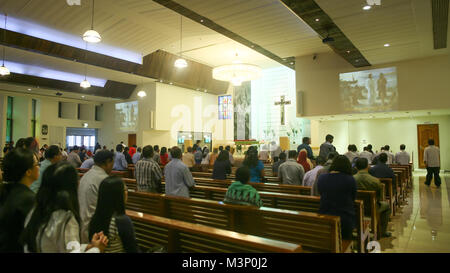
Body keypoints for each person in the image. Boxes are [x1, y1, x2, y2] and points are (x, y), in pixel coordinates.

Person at [22, 162, 109, 253]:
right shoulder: (65, 218)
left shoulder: (35, 211)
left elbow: (62, 246)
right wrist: (97, 249)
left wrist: (89, 246)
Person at [0, 149, 39, 252]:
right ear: (28, 171)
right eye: (37, 164)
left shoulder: (5, 191)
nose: (39, 167)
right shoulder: (28, 200)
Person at [89, 176, 139, 253]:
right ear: (119, 195)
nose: (127, 192)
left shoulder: (95, 217)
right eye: (125, 190)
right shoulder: (122, 221)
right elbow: (132, 250)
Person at [78, 150, 115, 243]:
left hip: (81, 223)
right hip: (95, 229)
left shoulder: (86, 175)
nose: (112, 167)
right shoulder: (104, 179)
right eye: (112, 163)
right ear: (108, 162)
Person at [317, 155, 356, 240]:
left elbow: (320, 192)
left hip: (325, 217)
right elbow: (353, 197)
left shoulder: (322, 178)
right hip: (345, 220)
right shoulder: (350, 179)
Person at [353, 158, 392, 237]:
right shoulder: (375, 180)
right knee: (386, 206)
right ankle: (382, 231)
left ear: (356, 167)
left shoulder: (351, 179)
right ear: (368, 166)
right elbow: (379, 197)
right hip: (371, 208)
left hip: (355, 208)